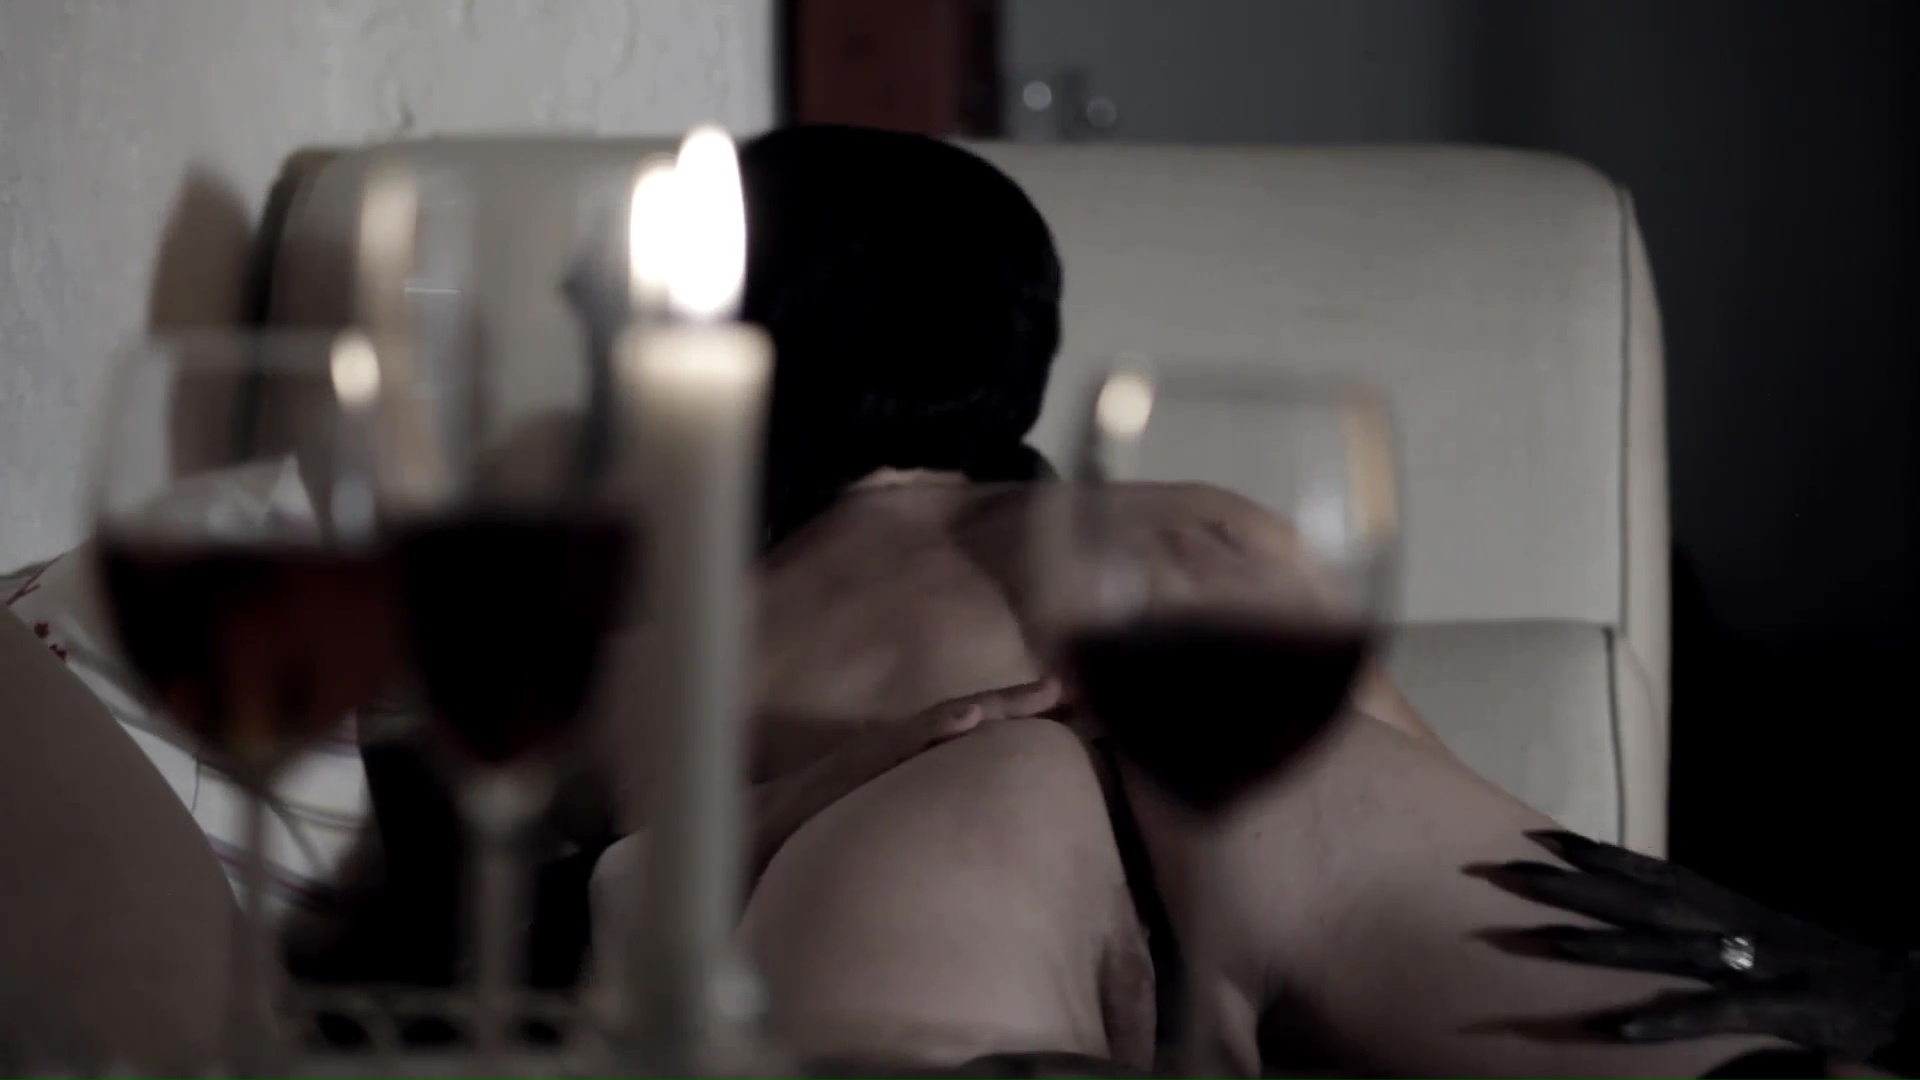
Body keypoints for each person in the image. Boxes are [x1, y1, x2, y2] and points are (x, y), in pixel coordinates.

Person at [0, 124, 1889, 1078]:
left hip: (921, 850)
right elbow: (1447, 805)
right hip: (1296, 817)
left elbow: (466, 941)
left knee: (957, 875)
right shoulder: (1207, 530)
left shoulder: (631, 632)